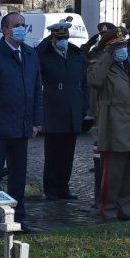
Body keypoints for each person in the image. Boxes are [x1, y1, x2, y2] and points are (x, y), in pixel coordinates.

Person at [0, 12, 43, 235]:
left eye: (23, 25)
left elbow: (36, 90)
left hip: (22, 126)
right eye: (16, 25)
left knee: (18, 176)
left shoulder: (30, 53)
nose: (21, 28)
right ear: (5, 29)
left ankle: (18, 219)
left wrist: (36, 121)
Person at [90, 33, 130, 220]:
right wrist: (107, 57)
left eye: (124, 45)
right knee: (113, 174)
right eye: (118, 47)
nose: (123, 49)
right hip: (114, 126)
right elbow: (95, 81)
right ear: (109, 49)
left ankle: (126, 208)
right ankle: (108, 209)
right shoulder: (101, 66)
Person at [36, 19, 88, 200]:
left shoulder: (76, 55)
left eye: (65, 37)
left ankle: (63, 187)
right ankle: (50, 189)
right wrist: (47, 40)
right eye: (59, 38)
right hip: (54, 109)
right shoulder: (45, 55)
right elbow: (37, 55)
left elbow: (84, 84)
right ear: (53, 40)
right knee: (52, 153)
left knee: (68, 153)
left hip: (73, 110)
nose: (63, 41)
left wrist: (83, 107)